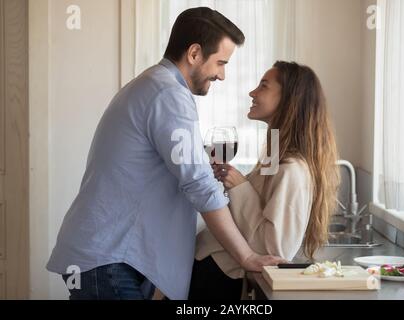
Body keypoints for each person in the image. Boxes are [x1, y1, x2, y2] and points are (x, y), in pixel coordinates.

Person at [46, 7, 284, 300]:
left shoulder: (154, 85)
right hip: (110, 260)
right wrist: (247, 257)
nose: (222, 75)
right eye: (220, 63)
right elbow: (199, 185)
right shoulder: (168, 94)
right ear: (195, 53)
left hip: (107, 257)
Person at [189, 61, 340, 300]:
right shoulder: (273, 155)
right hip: (210, 267)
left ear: (289, 99)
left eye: (263, 86)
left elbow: (274, 250)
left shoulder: (294, 170)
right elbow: (251, 208)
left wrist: (239, 186)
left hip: (221, 277)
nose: (252, 92)